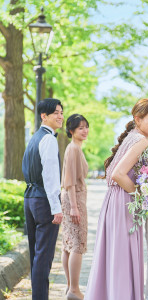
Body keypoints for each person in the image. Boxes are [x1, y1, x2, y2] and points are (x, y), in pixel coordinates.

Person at [84, 98, 148, 300]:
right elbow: (118, 174)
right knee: (122, 256)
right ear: (138, 119)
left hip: (114, 200)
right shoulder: (141, 140)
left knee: (114, 256)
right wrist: (141, 194)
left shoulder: (133, 136)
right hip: (124, 202)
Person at [22, 98, 64, 300]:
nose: (60, 116)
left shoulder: (34, 138)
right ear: (43, 116)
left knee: (36, 254)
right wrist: (56, 207)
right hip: (43, 201)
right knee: (43, 257)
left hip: (29, 199)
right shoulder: (49, 139)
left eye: (62, 112)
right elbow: (50, 176)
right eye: (55, 112)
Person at [61, 114, 89, 300]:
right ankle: (74, 289)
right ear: (71, 131)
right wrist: (74, 207)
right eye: (80, 128)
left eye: (86, 127)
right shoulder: (73, 149)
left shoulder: (76, 148)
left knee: (68, 244)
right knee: (77, 244)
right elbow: (70, 181)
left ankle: (71, 287)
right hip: (74, 198)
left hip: (73, 198)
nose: (85, 130)